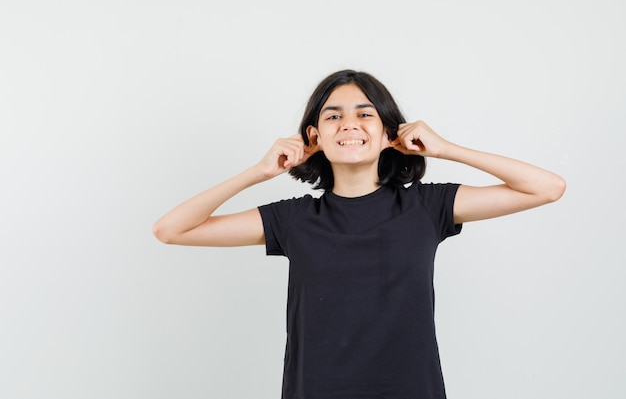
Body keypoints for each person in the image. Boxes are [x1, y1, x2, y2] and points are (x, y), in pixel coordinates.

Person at [153, 69, 566, 399]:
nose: (349, 124)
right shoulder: (294, 219)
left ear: (390, 133)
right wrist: (259, 172)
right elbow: (171, 229)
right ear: (314, 137)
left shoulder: (426, 207)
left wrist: (445, 148)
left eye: (365, 113)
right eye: (333, 115)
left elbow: (547, 187)